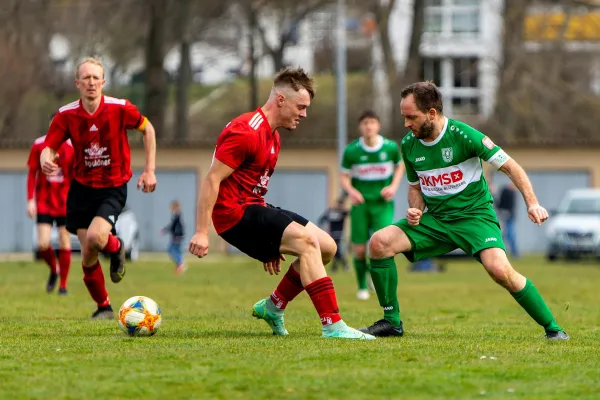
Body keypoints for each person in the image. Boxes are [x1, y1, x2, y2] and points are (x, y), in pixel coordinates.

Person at [360, 81, 568, 340]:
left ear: (432, 113)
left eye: (411, 117)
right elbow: (415, 187)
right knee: (379, 243)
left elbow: (512, 167)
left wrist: (532, 203)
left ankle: (553, 329)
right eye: (404, 117)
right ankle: (391, 322)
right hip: (435, 221)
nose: (406, 124)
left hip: (474, 217)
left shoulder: (466, 136)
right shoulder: (409, 144)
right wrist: (415, 209)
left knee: (500, 271)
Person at [188, 66, 374, 340]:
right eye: (301, 106)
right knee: (306, 243)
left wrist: (272, 236)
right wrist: (202, 232)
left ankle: (273, 306)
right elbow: (211, 180)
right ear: (281, 100)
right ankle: (333, 325)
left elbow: (253, 186)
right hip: (233, 215)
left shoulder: (273, 136)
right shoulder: (245, 131)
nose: (304, 114)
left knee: (327, 247)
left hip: (254, 207)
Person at [40, 57, 157, 319]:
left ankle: (116, 247)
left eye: (96, 78)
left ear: (103, 82)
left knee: (95, 238)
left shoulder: (120, 108)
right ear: (77, 83)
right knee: (88, 252)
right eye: (86, 78)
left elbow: (147, 129)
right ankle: (103, 306)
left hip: (112, 187)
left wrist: (149, 170)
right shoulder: (66, 115)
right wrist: (45, 159)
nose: (91, 82)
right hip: (81, 189)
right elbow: (49, 147)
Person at [340, 109, 405, 300]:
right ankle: (361, 286)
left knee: (382, 244)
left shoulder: (390, 147)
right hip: (360, 204)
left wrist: (393, 187)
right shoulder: (352, 150)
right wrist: (352, 192)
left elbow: (400, 166)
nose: (369, 126)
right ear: (361, 126)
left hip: (382, 204)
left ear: (378, 125)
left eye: (372, 122)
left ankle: (377, 281)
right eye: (365, 123)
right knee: (359, 248)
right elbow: (343, 176)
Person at [26, 114, 74, 295]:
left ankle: (63, 285)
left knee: (64, 241)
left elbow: (75, 175)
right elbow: (32, 173)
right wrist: (30, 200)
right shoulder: (39, 145)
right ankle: (54, 270)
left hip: (65, 202)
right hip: (45, 202)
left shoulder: (71, 147)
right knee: (43, 243)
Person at [317, 198, 349, 272]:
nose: (340, 206)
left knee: (337, 250)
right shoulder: (331, 212)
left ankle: (337, 267)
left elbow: (349, 213)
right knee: (336, 251)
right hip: (332, 234)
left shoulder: (342, 212)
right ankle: (341, 266)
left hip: (340, 234)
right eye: (339, 205)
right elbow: (322, 219)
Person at [161, 200, 186, 274]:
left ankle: (180, 264)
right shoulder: (177, 215)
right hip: (177, 236)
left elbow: (173, 226)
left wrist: (164, 230)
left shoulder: (177, 215)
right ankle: (180, 265)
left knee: (172, 250)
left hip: (177, 236)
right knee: (176, 251)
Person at [496, 182, 519, 257]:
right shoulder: (508, 192)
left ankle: (508, 252)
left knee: (507, 234)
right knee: (507, 234)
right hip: (506, 216)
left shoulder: (510, 192)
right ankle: (511, 252)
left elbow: (499, 204)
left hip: (506, 216)